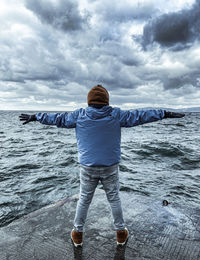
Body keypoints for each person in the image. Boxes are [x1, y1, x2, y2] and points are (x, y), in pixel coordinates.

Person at [19, 85, 185, 247]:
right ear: (106, 101)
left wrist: (36, 117)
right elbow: (141, 115)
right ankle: (121, 233)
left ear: (89, 101)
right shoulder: (116, 115)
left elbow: (57, 118)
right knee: (114, 198)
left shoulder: (79, 115)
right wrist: (164, 114)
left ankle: (77, 234)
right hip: (110, 167)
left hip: (87, 167)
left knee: (84, 199)